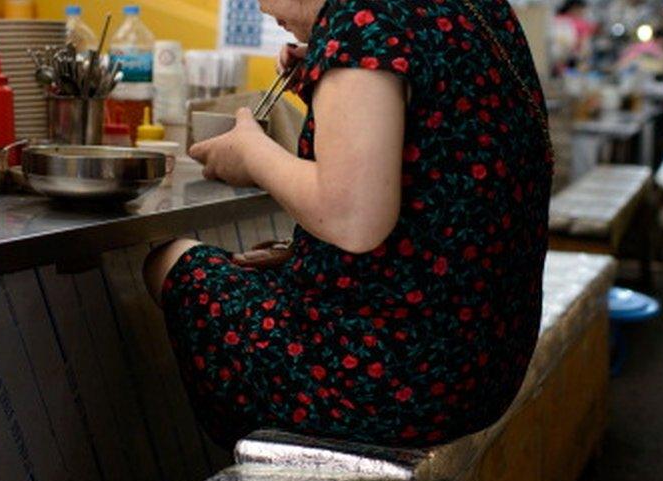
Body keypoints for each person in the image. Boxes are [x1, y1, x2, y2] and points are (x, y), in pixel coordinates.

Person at [143, 0, 553, 448]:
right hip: (484, 370)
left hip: (393, 387)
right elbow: (445, 166)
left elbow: (352, 219)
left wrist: (250, 153)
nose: (259, 7)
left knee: (173, 263)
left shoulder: (362, 18)